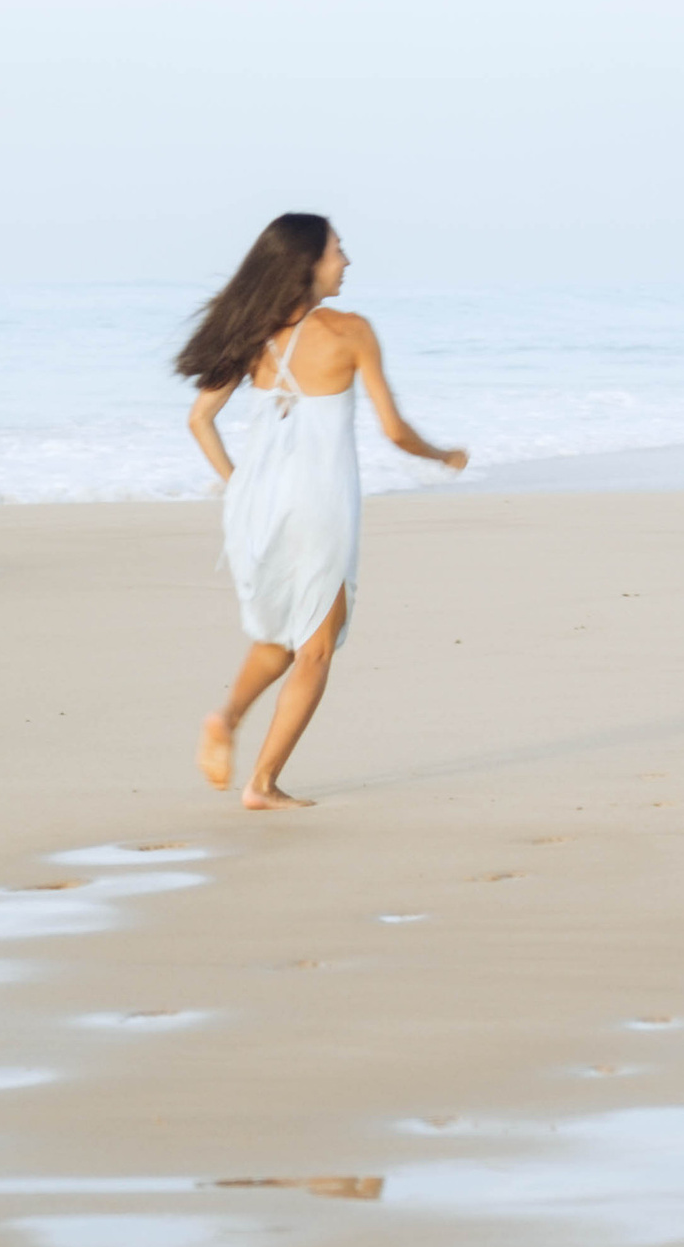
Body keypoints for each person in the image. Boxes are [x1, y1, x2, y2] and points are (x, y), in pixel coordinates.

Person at [175, 214, 466, 809]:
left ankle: (226, 719)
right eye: (338, 251)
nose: (347, 261)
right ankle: (261, 783)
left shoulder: (253, 334)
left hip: (256, 507)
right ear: (308, 264)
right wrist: (443, 456)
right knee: (316, 646)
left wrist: (240, 486)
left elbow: (198, 419)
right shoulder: (350, 330)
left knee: (282, 634)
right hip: (319, 506)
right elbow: (394, 430)